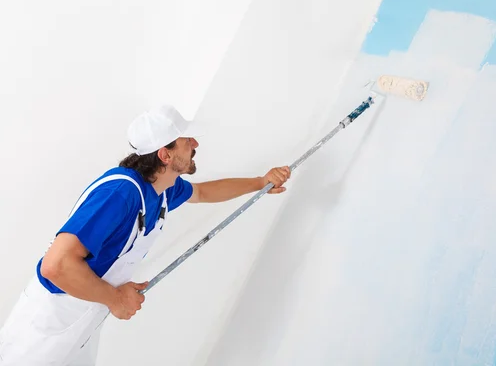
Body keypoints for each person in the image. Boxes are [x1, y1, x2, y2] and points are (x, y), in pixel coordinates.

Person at [0, 104, 291, 365]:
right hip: (47, 326)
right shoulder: (120, 194)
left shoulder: (161, 188)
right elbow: (56, 266)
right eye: (187, 141)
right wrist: (115, 299)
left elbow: (202, 192)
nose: (195, 144)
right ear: (165, 154)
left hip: (85, 320)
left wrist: (260, 182)